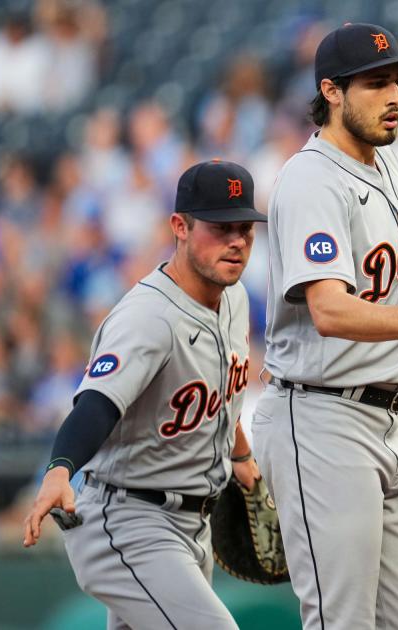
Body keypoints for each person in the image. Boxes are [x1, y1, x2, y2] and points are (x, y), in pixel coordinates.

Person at [254, 22, 398, 630]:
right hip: (321, 418)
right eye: (376, 82)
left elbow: (387, 335)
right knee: (341, 621)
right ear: (331, 90)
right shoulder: (309, 179)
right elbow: (329, 311)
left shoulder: (388, 167)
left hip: (384, 419)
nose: (395, 95)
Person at [22, 160, 267, 630]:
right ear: (180, 226)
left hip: (190, 526)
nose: (236, 241)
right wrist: (59, 469)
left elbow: (219, 395)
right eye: (219, 228)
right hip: (128, 520)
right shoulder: (147, 318)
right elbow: (96, 404)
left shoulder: (233, 298)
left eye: (244, 228)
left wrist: (241, 456)